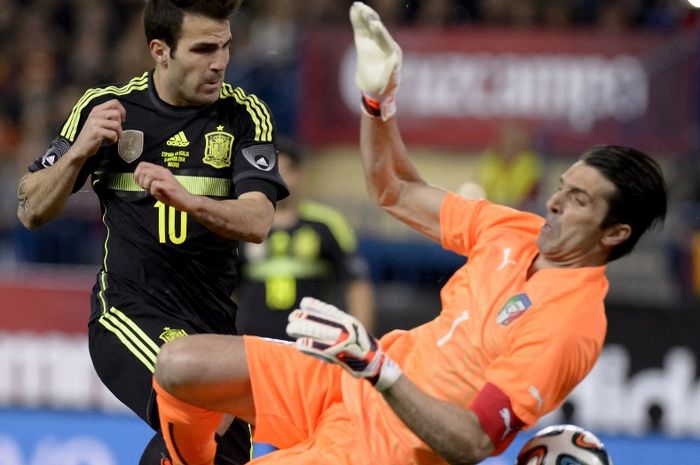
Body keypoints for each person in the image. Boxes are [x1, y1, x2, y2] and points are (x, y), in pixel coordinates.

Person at [149, 2, 668, 465]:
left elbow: (470, 443)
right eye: (562, 186)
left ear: (616, 232)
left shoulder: (571, 324)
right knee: (179, 364)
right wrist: (379, 102)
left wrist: (378, 368)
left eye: (578, 200)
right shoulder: (517, 230)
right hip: (344, 380)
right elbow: (393, 189)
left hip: (385, 448)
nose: (555, 201)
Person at [15, 1, 289, 464]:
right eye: (203, 49)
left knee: (212, 454)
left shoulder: (245, 115)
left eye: (225, 46)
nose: (219, 62)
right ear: (160, 51)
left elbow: (258, 221)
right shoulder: (106, 109)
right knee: (197, 406)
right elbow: (29, 209)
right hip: (129, 315)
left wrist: (190, 200)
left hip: (212, 327)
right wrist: (78, 152)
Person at [236, 138, 375, 340]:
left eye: (283, 172)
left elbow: (357, 284)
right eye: (268, 173)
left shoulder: (325, 224)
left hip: (311, 343)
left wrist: (362, 341)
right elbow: (226, 287)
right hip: (251, 345)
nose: (276, 181)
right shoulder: (243, 223)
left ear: (298, 175)